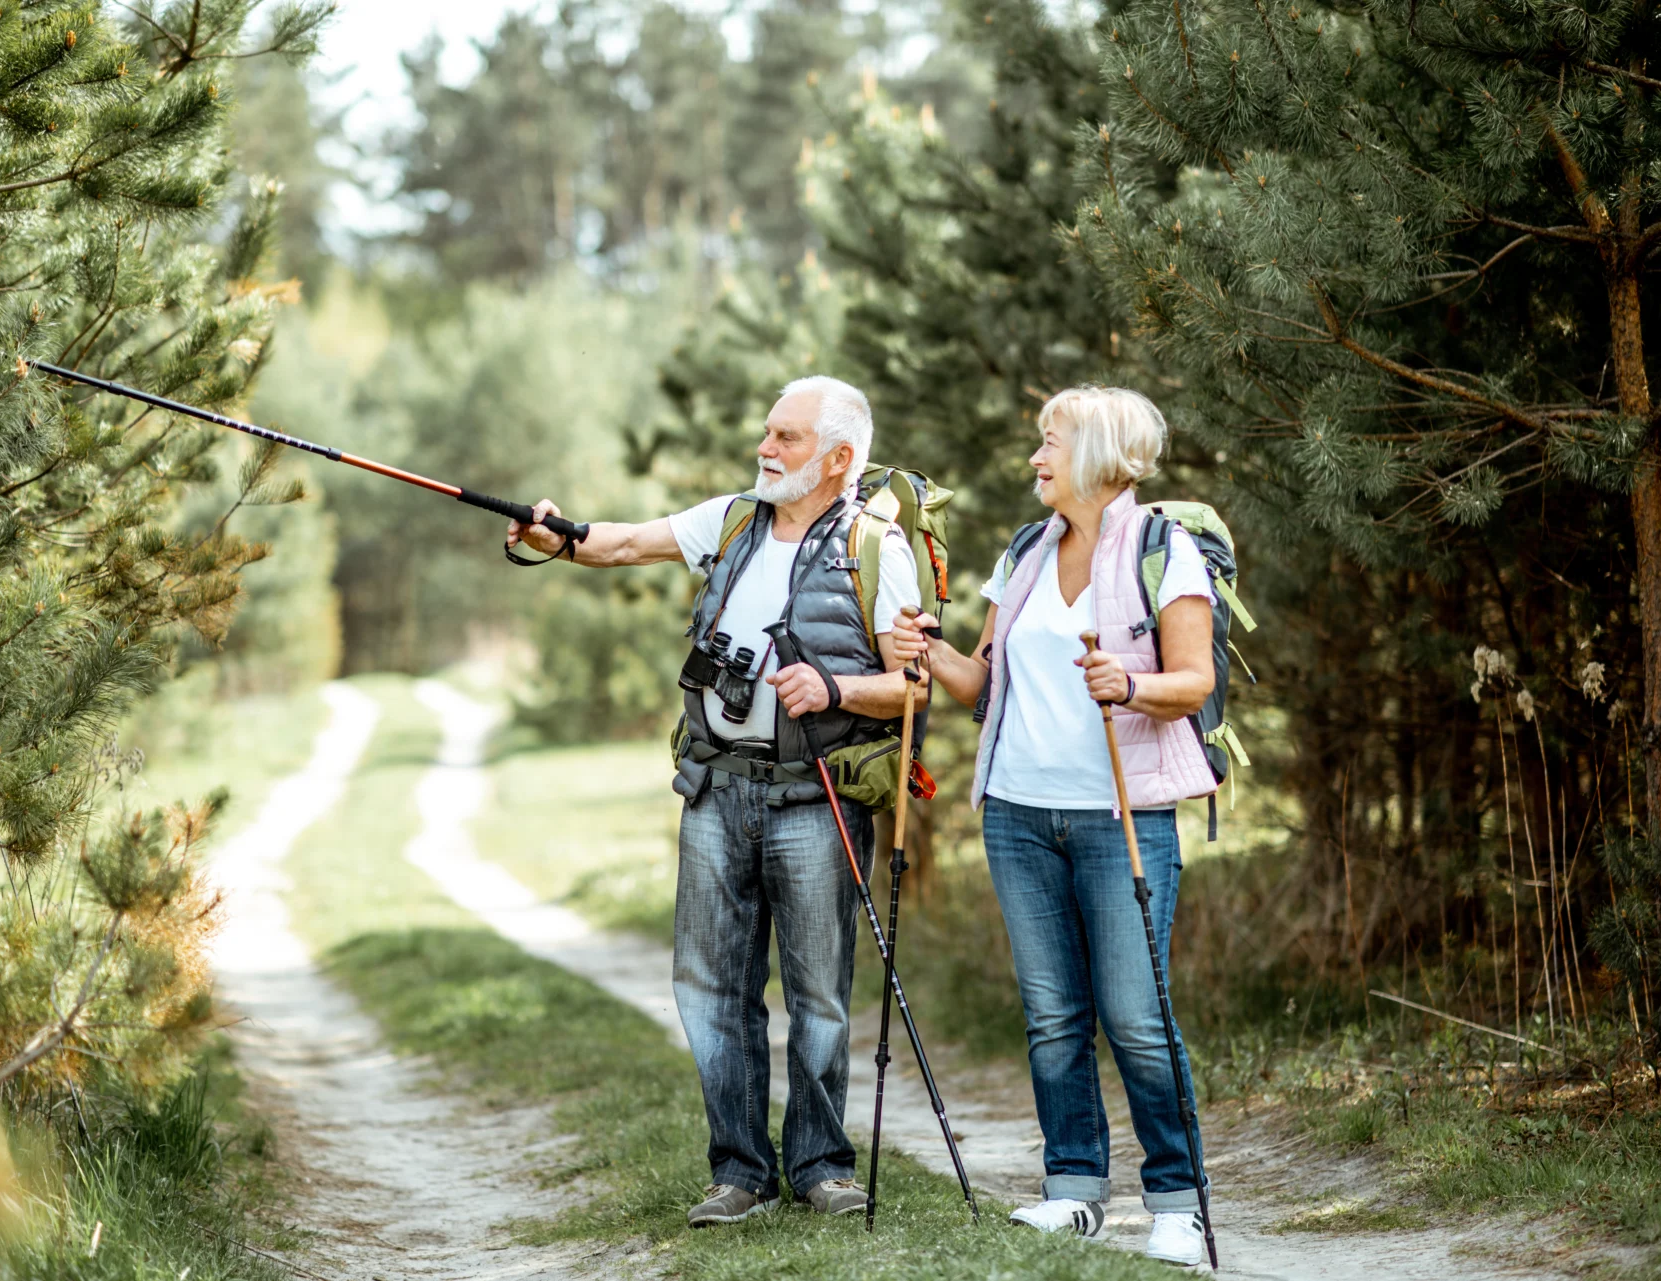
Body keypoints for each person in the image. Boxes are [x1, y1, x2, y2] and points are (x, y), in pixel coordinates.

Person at [506, 377, 924, 1228]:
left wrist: (836, 684)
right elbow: (619, 544)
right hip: (714, 788)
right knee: (710, 988)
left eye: (788, 438)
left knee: (818, 994)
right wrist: (555, 536)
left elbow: (913, 684)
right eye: (767, 432)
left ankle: (820, 1165)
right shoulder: (734, 519)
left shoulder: (879, 547)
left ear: (840, 459)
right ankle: (737, 1171)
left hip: (818, 801)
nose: (765, 449)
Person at [890, 386, 1216, 1266]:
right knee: (1053, 1018)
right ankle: (1073, 1189)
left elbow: (1191, 679)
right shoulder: (1027, 551)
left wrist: (1131, 685)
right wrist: (929, 649)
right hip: (1021, 817)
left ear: (1101, 455)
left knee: (1137, 1018)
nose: (1036, 457)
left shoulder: (1163, 549)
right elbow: (981, 683)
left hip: (1122, 816)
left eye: (1050, 441)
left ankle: (1178, 1199)